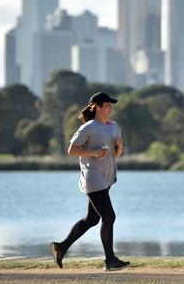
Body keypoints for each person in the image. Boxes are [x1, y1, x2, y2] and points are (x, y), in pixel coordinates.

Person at [50, 92, 130, 272]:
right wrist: (93, 153)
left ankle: (60, 247)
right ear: (97, 107)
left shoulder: (114, 127)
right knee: (109, 217)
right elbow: (71, 149)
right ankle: (110, 261)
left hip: (106, 178)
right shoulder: (88, 128)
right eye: (107, 105)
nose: (110, 108)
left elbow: (116, 155)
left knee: (92, 219)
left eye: (111, 105)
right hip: (92, 178)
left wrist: (119, 147)